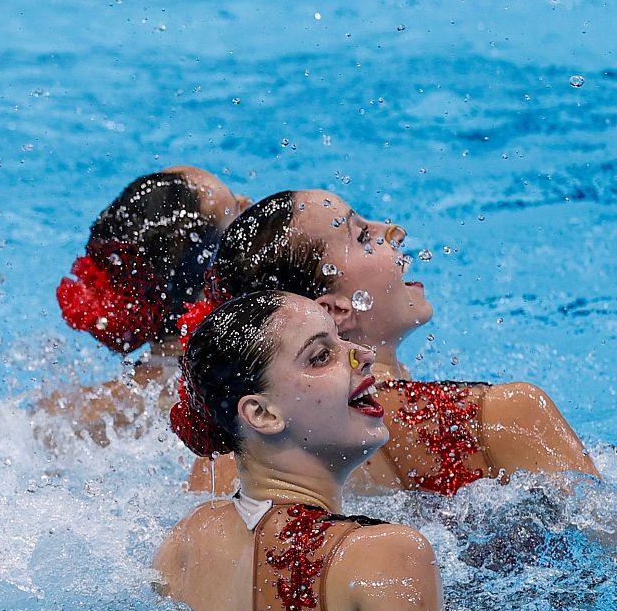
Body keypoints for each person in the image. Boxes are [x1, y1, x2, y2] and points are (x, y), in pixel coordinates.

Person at [188, 190, 598, 495]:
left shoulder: (232, 460)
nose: (395, 232)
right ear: (331, 311)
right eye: (364, 237)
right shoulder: (506, 417)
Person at [154, 291, 444, 611]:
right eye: (321, 356)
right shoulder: (385, 555)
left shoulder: (187, 541)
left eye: (342, 339)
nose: (363, 355)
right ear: (262, 414)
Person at [40, 167, 249, 445]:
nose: (247, 202)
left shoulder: (62, 413)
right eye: (235, 210)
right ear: (210, 279)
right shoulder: (238, 415)